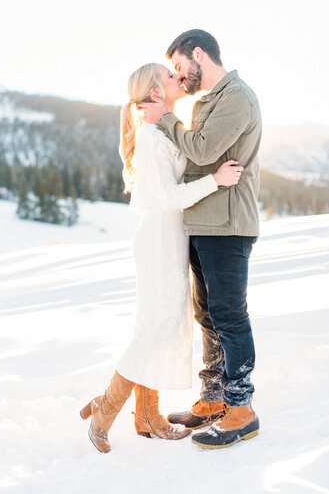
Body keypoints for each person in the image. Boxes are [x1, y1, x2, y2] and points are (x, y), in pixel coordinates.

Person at [80, 62, 243, 453]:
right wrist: (215, 181)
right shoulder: (153, 138)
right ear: (156, 92)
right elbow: (166, 197)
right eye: (169, 77)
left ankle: (148, 417)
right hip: (157, 240)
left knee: (165, 325)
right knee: (151, 330)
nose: (178, 77)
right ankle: (105, 410)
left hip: (171, 239)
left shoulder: (162, 128)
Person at [142, 29, 262, 450]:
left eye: (179, 66)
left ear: (198, 54)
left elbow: (204, 150)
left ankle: (241, 408)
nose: (179, 74)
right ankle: (213, 400)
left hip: (227, 225)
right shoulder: (212, 100)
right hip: (203, 223)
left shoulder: (237, 97)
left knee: (229, 317)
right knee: (208, 317)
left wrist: (166, 120)